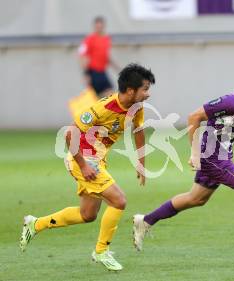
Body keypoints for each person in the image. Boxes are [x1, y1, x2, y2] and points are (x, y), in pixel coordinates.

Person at [132, 63, 234, 259]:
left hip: (223, 153)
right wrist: (194, 153)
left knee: (196, 199)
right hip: (212, 157)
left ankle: (145, 221)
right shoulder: (231, 102)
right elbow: (194, 117)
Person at [20, 64, 156, 271]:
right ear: (130, 90)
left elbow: (138, 131)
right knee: (119, 200)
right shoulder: (103, 108)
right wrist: (83, 166)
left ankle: (35, 224)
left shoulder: (136, 107)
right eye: (145, 89)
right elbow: (69, 134)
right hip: (82, 159)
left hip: (96, 160)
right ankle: (101, 251)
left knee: (87, 214)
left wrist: (141, 163)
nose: (148, 94)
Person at [78, 16, 119, 97]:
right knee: (108, 94)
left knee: (105, 95)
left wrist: (117, 67)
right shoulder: (89, 39)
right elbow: (82, 56)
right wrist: (86, 74)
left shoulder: (106, 39)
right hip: (93, 72)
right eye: (97, 27)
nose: (99, 28)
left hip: (102, 71)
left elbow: (105, 56)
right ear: (94, 27)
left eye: (101, 26)